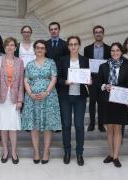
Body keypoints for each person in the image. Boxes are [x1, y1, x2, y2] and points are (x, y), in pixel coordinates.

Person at [22, 40, 61, 164]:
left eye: (42, 48)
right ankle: (36, 152)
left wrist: (46, 92)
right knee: (34, 126)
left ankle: (46, 151)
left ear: (45, 50)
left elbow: (54, 78)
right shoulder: (29, 64)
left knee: (47, 125)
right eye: (37, 48)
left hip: (48, 98)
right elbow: (26, 80)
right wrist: (30, 93)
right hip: (32, 98)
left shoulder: (51, 62)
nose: (39, 50)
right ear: (34, 49)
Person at [97, 42, 128, 168]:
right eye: (113, 51)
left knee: (117, 129)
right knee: (109, 129)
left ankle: (116, 156)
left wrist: (119, 89)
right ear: (110, 52)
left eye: (117, 50)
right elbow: (98, 83)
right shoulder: (103, 66)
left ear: (121, 52)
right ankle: (110, 154)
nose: (115, 53)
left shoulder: (127, 67)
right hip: (107, 101)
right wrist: (105, 86)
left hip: (120, 101)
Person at [57, 36, 89, 166]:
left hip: (80, 97)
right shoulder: (62, 60)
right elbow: (57, 78)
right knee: (66, 125)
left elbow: (88, 75)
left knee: (79, 125)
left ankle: (79, 153)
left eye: (75, 44)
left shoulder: (85, 60)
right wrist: (65, 81)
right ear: (68, 46)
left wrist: (89, 80)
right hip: (65, 96)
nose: (73, 47)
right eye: (71, 44)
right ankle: (67, 152)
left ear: (79, 45)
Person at [84, 25, 110, 132]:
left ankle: (100, 124)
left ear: (103, 34)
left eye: (100, 32)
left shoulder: (108, 49)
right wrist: (87, 78)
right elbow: (85, 64)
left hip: (104, 79)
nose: (98, 34)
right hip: (92, 79)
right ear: (94, 34)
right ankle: (91, 123)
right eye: (96, 32)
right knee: (92, 102)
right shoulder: (87, 49)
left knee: (102, 103)